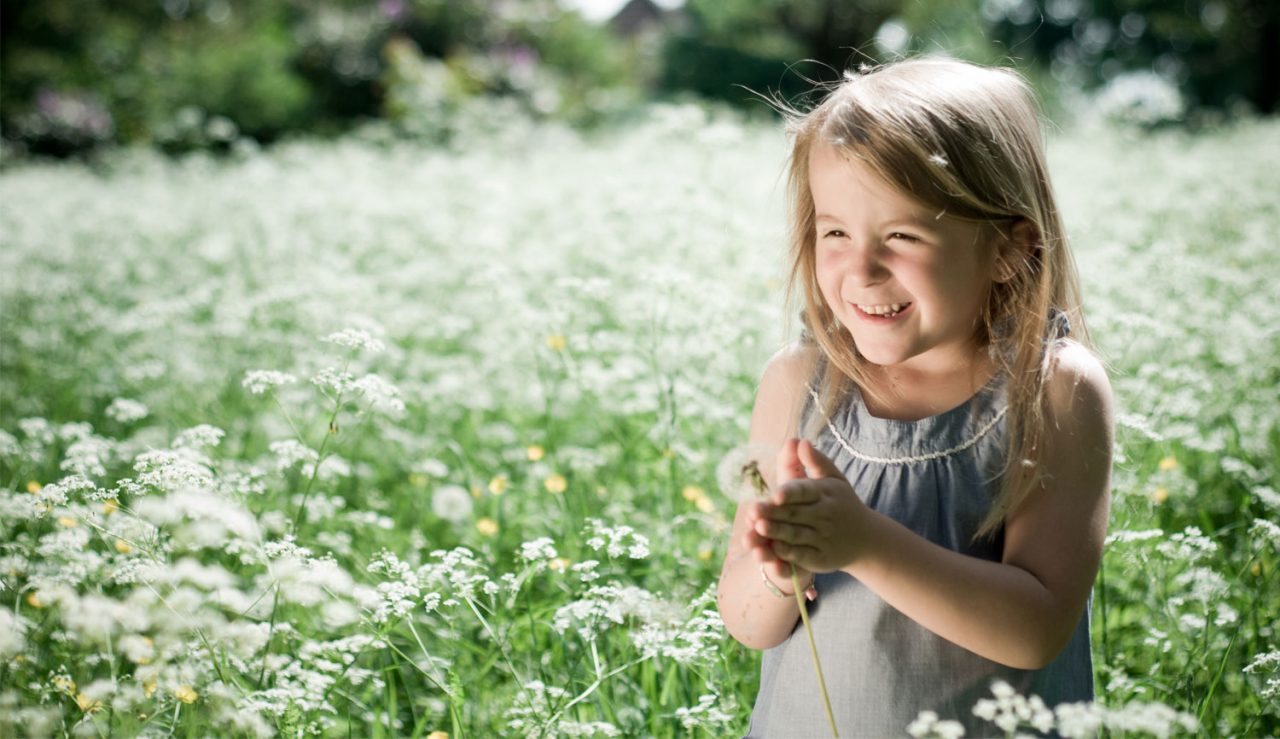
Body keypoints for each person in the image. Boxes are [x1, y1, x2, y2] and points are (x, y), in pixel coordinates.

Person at [716, 56, 1113, 737]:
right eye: (834, 232)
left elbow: (1036, 629)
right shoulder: (796, 384)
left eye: (902, 235)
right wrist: (785, 570)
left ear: (1009, 250)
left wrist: (865, 543)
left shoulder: (1052, 388)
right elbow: (748, 622)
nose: (862, 267)